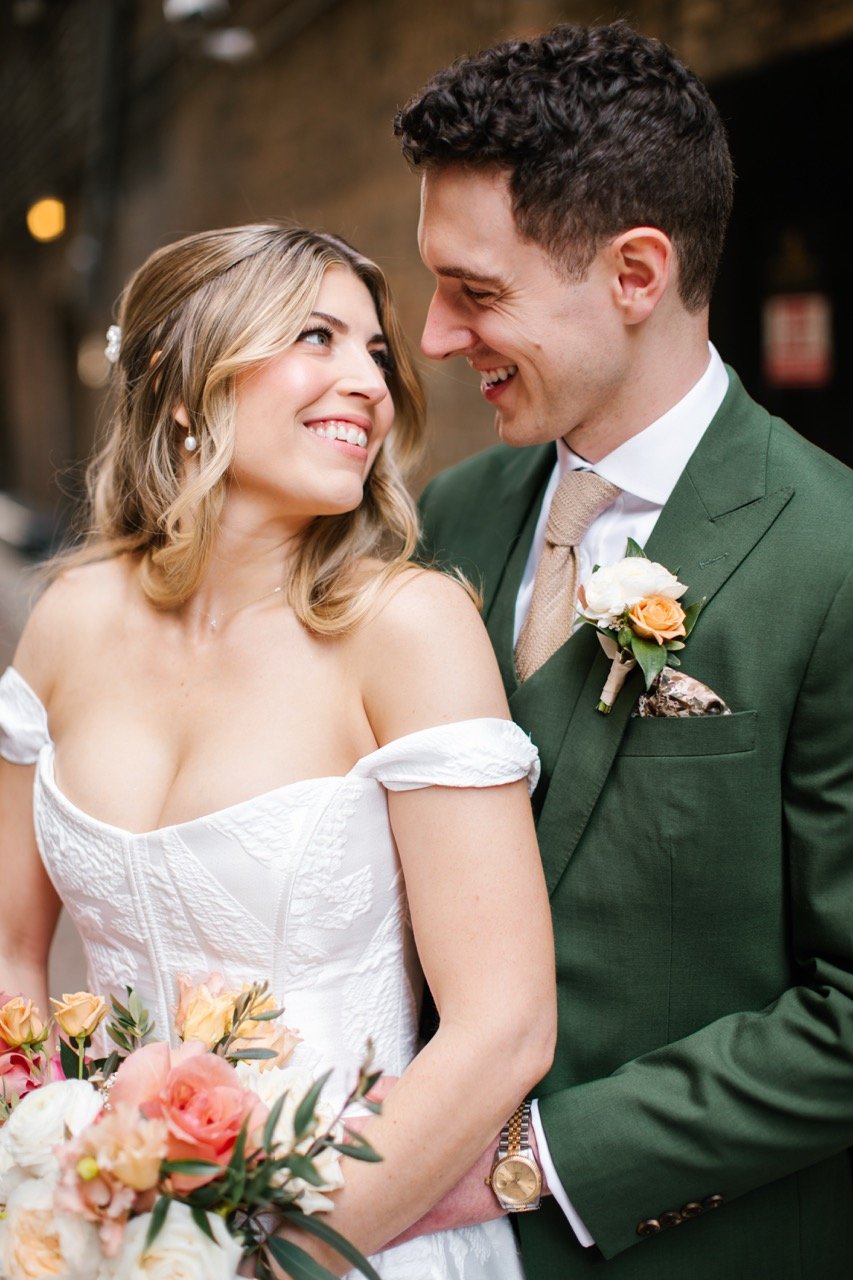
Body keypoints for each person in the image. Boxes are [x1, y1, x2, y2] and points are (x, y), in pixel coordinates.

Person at [0, 223, 557, 1277]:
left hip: (361, 1236)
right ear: (182, 385)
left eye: (375, 352)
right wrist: (41, 1183)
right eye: (316, 336)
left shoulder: (407, 629)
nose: (370, 382)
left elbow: (505, 1025)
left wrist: (276, 1256)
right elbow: (12, 947)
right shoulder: (67, 619)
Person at [393, 21, 853, 1280]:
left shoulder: (833, 556)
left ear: (636, 273)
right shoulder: (452, 517)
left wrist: (540, 1158)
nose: (434, 337)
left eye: (476, 292)